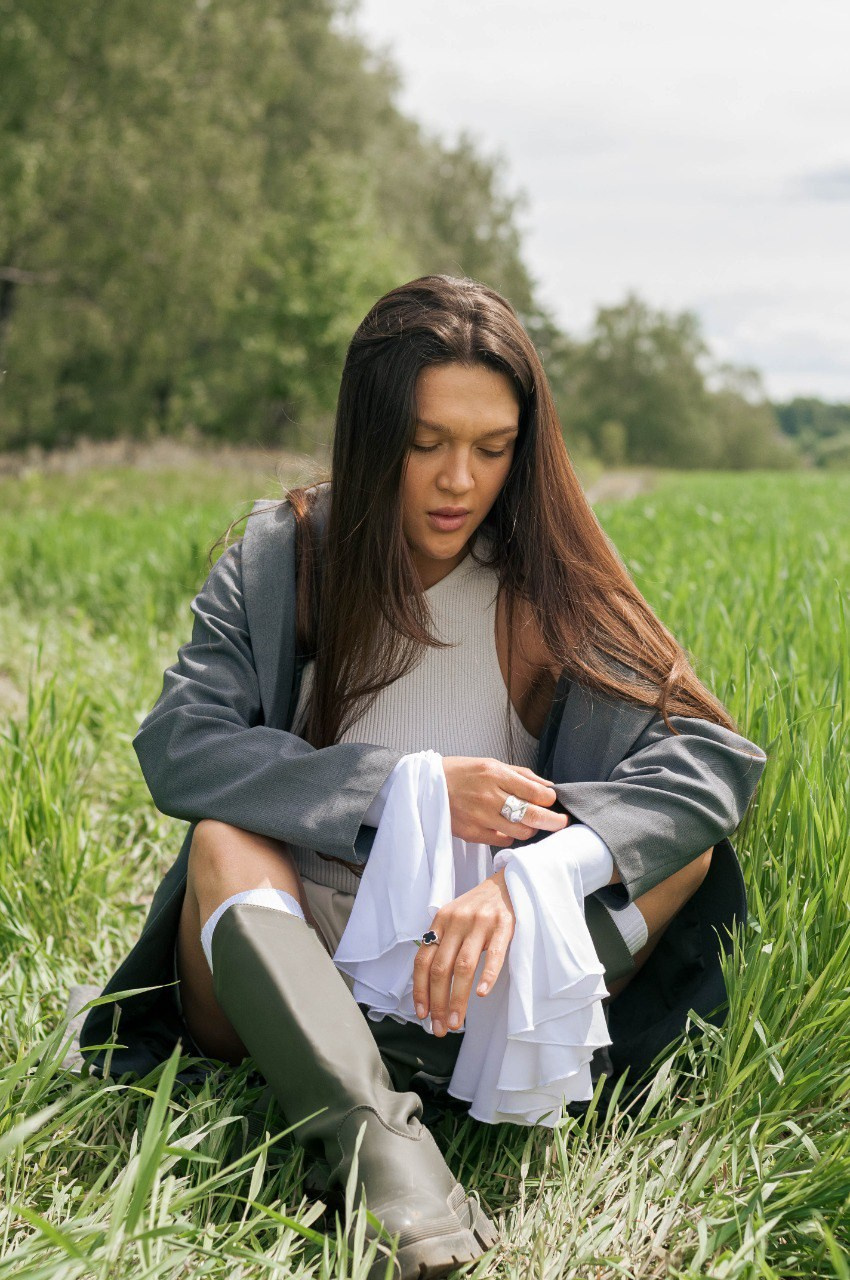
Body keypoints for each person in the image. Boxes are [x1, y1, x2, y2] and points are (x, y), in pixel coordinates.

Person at [79, 275, 767, 1278]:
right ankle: (375, 1139)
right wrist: (407, 788)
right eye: (425, 442)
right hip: (285, 968)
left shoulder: (548, 586)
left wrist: (538, 875)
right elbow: (179, 742)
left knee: (679, 853)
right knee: (223, 842)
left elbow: (713, 759)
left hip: (474, 990)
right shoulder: (285, 559)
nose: (459, 481)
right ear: (370, 435)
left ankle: (437, 1076)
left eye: (492, 449)